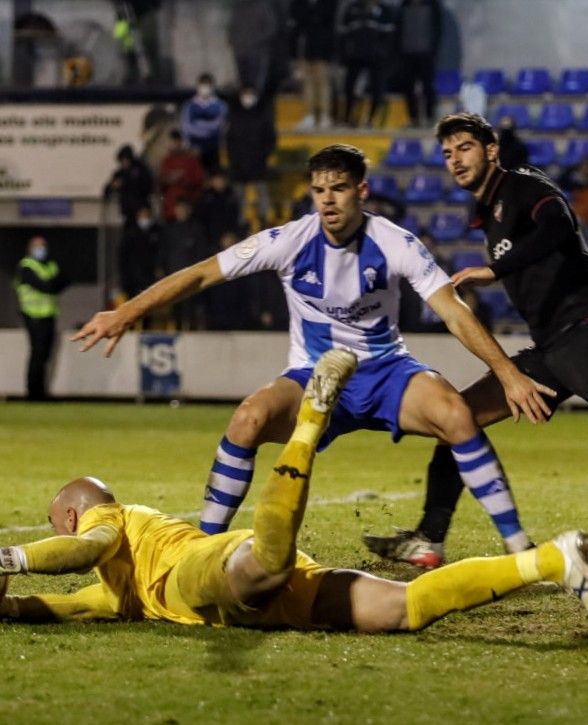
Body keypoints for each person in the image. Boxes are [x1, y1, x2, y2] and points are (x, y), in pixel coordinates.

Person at [73, 144, 555, 555]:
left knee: (456, 414)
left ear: (361, 192)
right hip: (313, 376)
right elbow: (201, 273)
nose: (328, 200)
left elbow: (453, 311)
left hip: (384, 370)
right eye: (319, 189)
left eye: (339, 188)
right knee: (248, 419)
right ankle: (202, 548)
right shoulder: (288, 240)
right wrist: (127, 311)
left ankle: (518, 549)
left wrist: (506, 373)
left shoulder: (395, 242)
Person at [0, 352, 588, 637]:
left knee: (258, 565)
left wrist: (4, 555)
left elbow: (83, 549)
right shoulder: (117, 592)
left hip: (203, 571)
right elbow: (62, 604)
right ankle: (555, 561)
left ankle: (310, 420)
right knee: (405, 609)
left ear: (74, 511)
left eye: (56, 521)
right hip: (277, 599)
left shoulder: (117, 524)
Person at [362, 113, 588, 576]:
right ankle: (429, 539)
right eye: (448, 153)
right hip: (553, 348)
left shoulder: (520, 185)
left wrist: (496, 271)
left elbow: (559, 226)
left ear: (491, 149)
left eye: (465, 148)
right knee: (457, 418)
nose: (455, 159)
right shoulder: (487, 211)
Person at [15, 236, 70, 401]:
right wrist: (52, 284)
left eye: (43, 246)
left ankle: (41, 391)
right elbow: (47, 286)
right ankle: (33, 393)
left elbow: (64, 279)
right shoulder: (26, 266)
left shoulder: (50, 266)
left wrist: (51, 285)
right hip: (33, 316)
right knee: (37, 354)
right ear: (30, 249)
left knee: (45, 355)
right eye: (37, 246)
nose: (41, 250)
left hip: (49, 315)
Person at [339, 0, 396, 128]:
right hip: (355, 56)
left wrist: (383, 53)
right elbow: (343, 34)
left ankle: (371, 119)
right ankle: (348, 118)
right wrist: (345, 54)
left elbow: (391, 36)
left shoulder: (386, 11)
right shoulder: (353, 8)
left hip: (377, 57)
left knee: (377, 87)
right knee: (350, 87)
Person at [226, 86, 277, 228]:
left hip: (258, 163)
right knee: (239, 198)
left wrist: (265, 156)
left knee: (262, 194)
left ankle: (266, 222)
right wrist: (233, 160)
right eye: (245, 94)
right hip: (238, 164)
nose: (248, 98)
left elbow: (271, 139)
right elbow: (229, 141)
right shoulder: (235, 116)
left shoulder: (263, 115)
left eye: (251, 94)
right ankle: (240, 225)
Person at [156, 198, 206, 330]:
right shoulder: (169, 229)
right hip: (174, 275)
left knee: (191, 309)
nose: (181, 212)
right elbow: (164, 251)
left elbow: (201, 252)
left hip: (191, 276)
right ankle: (177, 334)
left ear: (188, 210)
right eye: (179, 209)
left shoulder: (196, 229)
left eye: (184, 209)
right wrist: (162, 268)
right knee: (176, 308)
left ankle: (193, 336)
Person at [288, 0, 337, 129]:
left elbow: (327, 18)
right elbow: (297, 19)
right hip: (305, 45)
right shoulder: (300, 3)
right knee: (307, 81)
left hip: (323, 45)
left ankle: (324, 116)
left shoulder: (328, 3)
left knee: (322, 81)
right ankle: (309, 115)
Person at [396, 0, 443, 128]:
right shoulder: (403, 6)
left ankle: (429, 117)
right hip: (407, 54)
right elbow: (398, 29)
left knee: (427, 86)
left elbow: (438, 29)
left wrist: (432, 49)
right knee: (408, 87)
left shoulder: (432, 5)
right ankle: (413, 118)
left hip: (426, 54)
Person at [227, 0, 284, 101]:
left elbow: (271, 27)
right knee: (243, 84)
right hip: (240, 51)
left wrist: (257, 41)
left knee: (256, 85)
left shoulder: (263, 6)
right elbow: (232, 25)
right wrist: (232, 40)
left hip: (257, 52)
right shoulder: (238, 6)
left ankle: (257, 111)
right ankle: (244, 111)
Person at [180, 73, 227, 172]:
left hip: (214, 146)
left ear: (212, 87)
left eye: (207, 86)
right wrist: (187, 144)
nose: (204, 89)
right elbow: (186, 126)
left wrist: (199, 125)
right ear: (197, 86)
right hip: (195, 146)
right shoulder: (189, 106)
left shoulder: (221, 105)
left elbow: (221, 124)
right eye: (202, 86)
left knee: (214, 173)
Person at [103, 144, 155, 230]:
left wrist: (127, 183)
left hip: (141, 211)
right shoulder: (120, 173)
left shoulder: (141, 169)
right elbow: (107, 189)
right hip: (128, 212)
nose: (124, 163)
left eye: (125, 160)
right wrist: (113, 186)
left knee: (143, 235)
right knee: (129, 237)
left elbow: (147, 186)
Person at [158, 130, 205, 221]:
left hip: (188, 208)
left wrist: (181, 179)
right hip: (170, 210)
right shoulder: (166, 161)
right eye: (171, 142)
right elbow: (161, 185)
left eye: (176, 141)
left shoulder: (191, 159)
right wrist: (166, 180)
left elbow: (199, 180)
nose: (174, 144)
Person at [194, 169, 245, 244]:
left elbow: (238, 217)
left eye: (221, 179)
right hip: (212, 239)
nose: (220, 182)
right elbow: (203, 221)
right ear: (211, 181)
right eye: (217, 179)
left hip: (232, 236)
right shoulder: (205, 198)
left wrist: (232, 234)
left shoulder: (233, 196)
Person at [120, 206, 162, 300]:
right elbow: (123, 257)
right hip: (133, 278)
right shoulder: (130, 233)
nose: (145, 218)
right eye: (143, 215)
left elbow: (160, 251)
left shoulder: (157, 232)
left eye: (147, 215)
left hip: (149, 277)